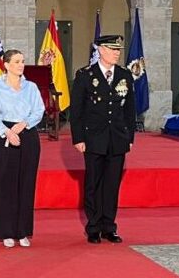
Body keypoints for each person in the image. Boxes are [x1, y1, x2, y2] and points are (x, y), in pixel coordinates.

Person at [70, 34, 135, 244]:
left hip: (117, 138)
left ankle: (109, 226)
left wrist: (129, 136)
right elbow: (77, 111)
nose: (117, 53)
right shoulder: (85, 75)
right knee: (93, 183)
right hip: (93, 138)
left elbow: (129, 110)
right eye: (113, 49)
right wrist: (78, 138)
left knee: (112, 184)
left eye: (118, 50)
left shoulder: (124, 75)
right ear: (101, 50)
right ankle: (93, 226)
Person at [0, 49, 46, 248]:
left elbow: (39, 110)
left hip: (28, 135)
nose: (21, 65)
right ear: (6, 65)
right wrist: (7, 133)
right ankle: (6, 231)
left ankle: (23, 231)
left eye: (22, 61)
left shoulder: (31, 87)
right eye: (17, 61)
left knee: (26, 183)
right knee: (5, 184)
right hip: (5, 136)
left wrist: (24, 125)